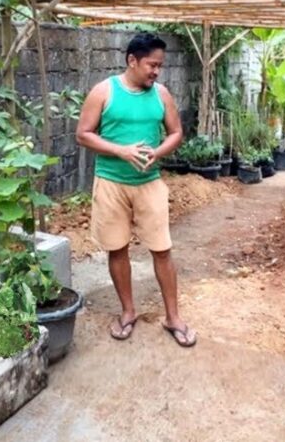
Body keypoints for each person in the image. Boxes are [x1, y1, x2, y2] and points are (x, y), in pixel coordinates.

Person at [75, 32, 196, 348]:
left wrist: (157, 152)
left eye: (160, 66)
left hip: (149, 183)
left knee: (162, 250)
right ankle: (128, 312)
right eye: (151, 65)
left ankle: (173, 317)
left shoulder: (161, 95)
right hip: (111, 183)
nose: (157, 71)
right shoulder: (104, 91)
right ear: (132, 60)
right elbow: (83, 134)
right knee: (117, 249)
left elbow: (176, 133)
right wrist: (121, 151)